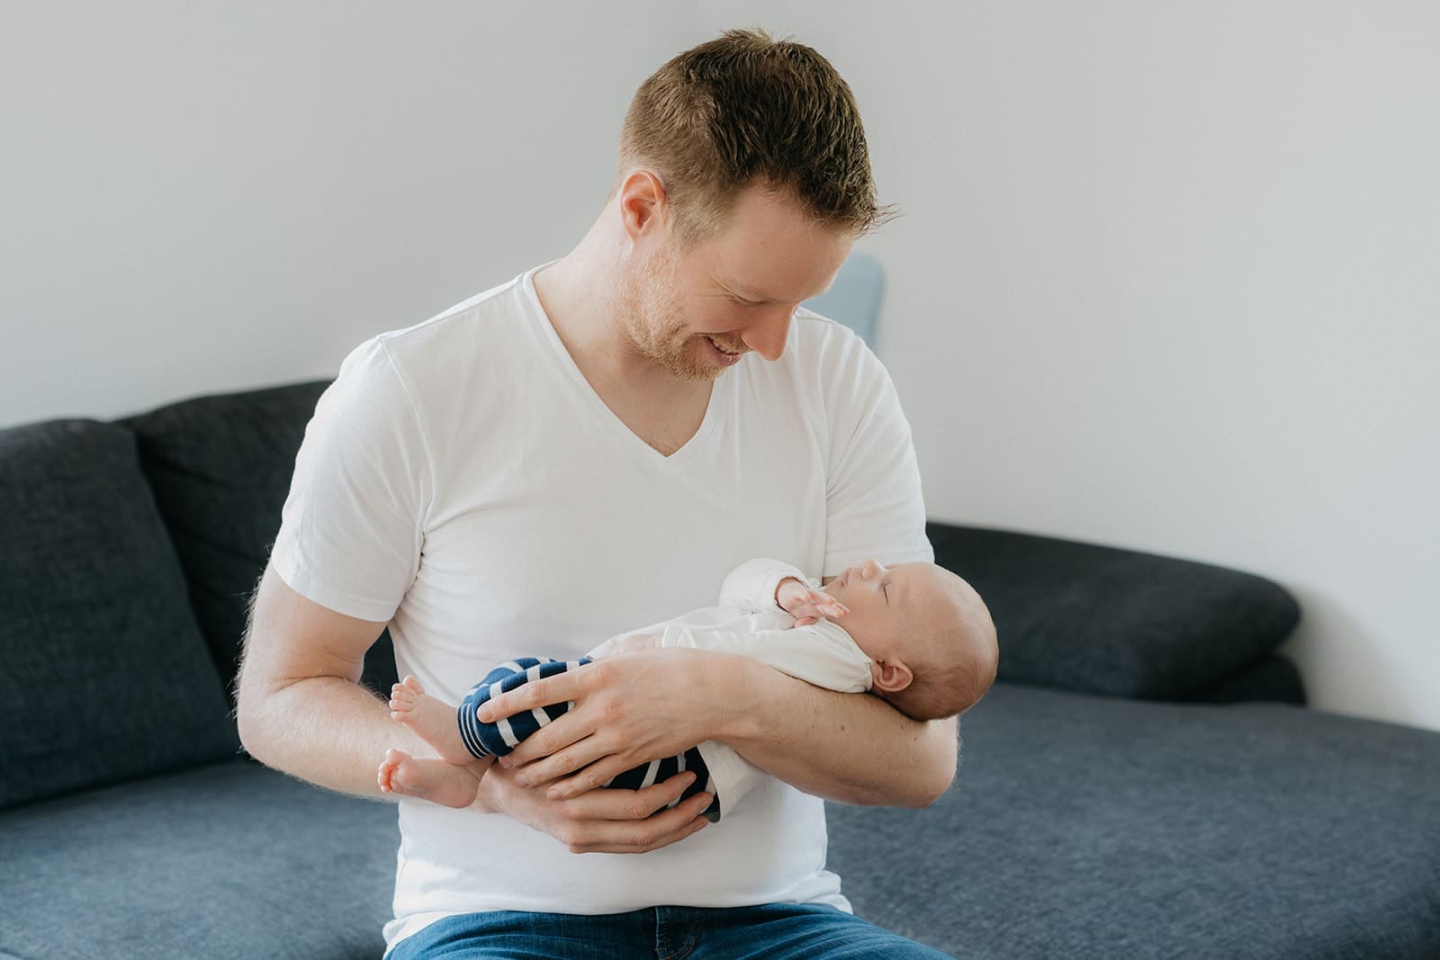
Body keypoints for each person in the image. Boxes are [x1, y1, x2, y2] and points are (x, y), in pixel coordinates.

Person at [236, 27, 962, 959]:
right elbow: (282, 694)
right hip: (497, 925)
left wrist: (717, 693)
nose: (778, 345)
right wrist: (483, 784)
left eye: (802, 302)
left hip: (781, 923)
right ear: (641, 207)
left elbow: (922, 760)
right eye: (748, 298)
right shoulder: (411, 390)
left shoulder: (840, 383)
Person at [376, 556, 998, 818]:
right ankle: (471, 773)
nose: (867, 567)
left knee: (531, 694)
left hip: (677, 765)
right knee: (532, 680)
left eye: (884, 587)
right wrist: (783, 586)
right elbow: (742, 585)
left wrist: (678, 667)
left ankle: (463, 742)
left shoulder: (838, 663)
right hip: (673, 759)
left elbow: (735, 665)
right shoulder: (814, 623)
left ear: (889, 672)